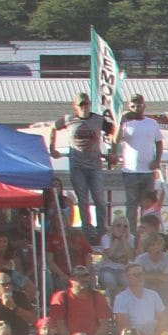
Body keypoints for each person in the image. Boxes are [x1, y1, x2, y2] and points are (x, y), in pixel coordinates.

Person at [50, 91, 114, 232]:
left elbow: (112, 130)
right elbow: (53, 127)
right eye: (81, 105)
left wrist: (112, 152)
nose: (84, 107)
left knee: (99, 200)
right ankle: (87, 229)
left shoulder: (98, 120)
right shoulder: (69, 119)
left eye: (86, 104)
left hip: (95, 166)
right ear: (75, 106)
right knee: (83, 200)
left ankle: (102, 229)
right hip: (77, 165)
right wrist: (52, 147)